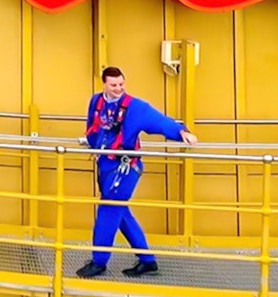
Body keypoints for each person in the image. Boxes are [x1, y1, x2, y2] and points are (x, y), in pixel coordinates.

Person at [76, 66, 197, 278]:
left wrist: (182, 132)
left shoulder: (135, 107)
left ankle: (99, 262)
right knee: (121, 214)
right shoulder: (96, 101)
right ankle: (147, 260)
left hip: (124, 167)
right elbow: (93, 126)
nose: (118, 88)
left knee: (109, 209)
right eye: (113, 85)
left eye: (121, 84)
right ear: (104, 83)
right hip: (105, 163)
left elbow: (159, 121)